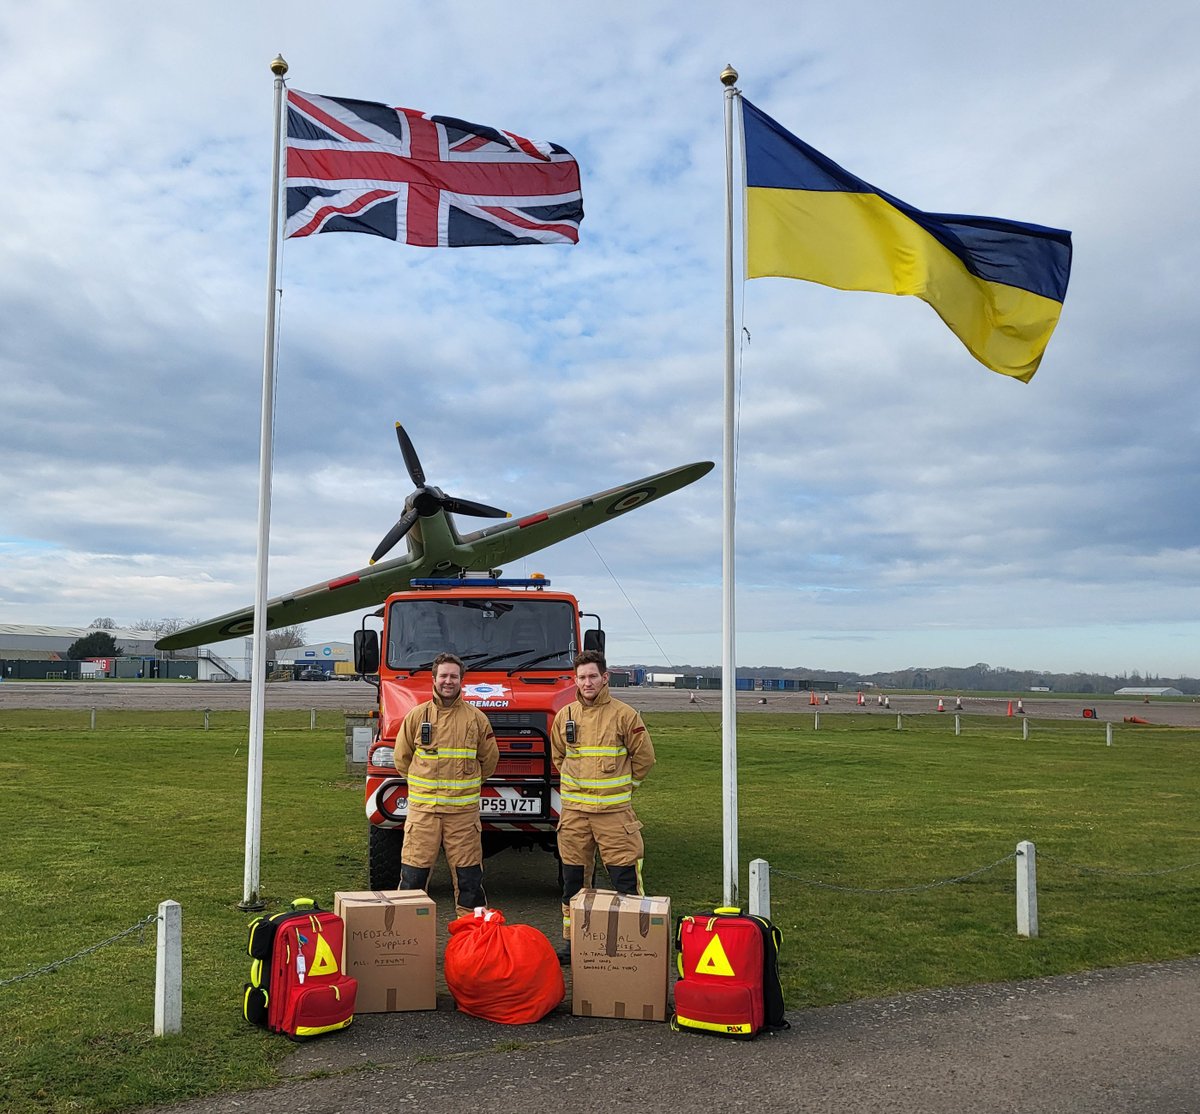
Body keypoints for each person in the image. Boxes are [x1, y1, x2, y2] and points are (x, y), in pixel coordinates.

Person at [550, 649, 656, 961]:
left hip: (614, 817)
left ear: (604, 677)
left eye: (593, 676)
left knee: (625, 881)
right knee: (573, 883)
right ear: (575, 680)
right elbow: (560, 757)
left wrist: (626, 788)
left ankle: (634, 942)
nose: (587, 682)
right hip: (574, 819)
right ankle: (573, 942)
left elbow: (645, 758)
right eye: (581, 677)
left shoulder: (625, 715)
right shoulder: (565, 716)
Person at [394, 652, 499, 918]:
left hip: (463, 817)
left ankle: (471, 943)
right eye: (443, 676)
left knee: (470, 883)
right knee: (412, 879)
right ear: (434, 678)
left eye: (453, 676)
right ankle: (408, 940)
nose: (448, 681)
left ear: (461, 680)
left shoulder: (477, 719)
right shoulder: (417, 716)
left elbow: (489, 760)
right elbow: (402, 759)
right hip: (423, 813)